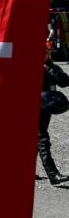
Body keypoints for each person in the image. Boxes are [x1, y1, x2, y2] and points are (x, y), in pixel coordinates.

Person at [39, 54, 69, 186]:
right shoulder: (28, 66)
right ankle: (53, 175)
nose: (45, 52)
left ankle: (25, 170)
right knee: (42, 139)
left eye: (47, 50)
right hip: (33, 107)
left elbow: (64, 82)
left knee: (36, 140)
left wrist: (50, 69)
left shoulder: (51, 66)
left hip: (47, 106)